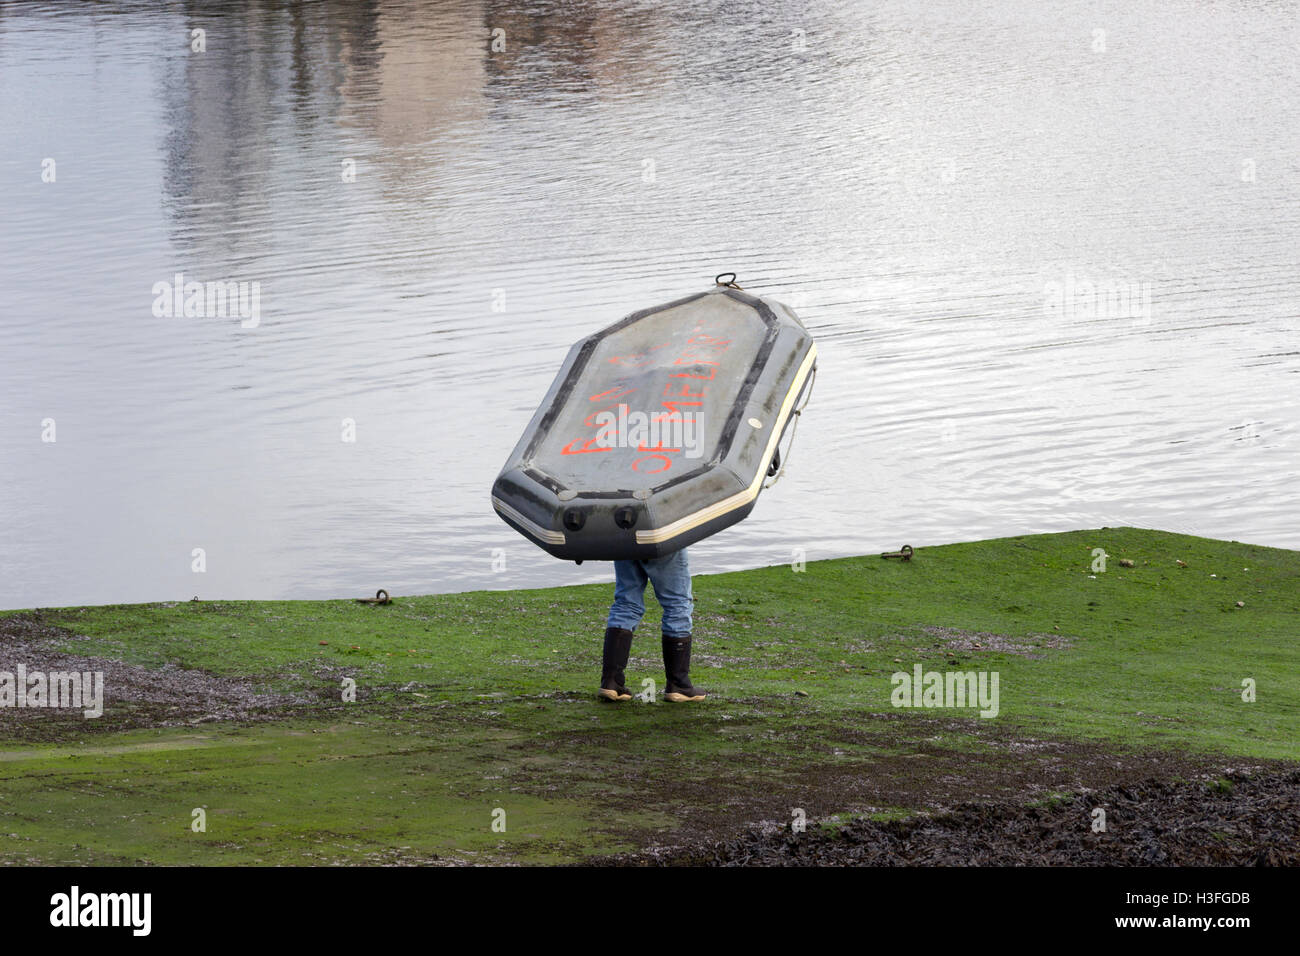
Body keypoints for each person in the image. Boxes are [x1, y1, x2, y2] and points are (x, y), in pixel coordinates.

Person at [599, 547, 705, 703]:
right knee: (677, 604)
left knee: (626, 604)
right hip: (661, 537)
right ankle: (678, 684)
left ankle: (611, 682)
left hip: (623, 534)